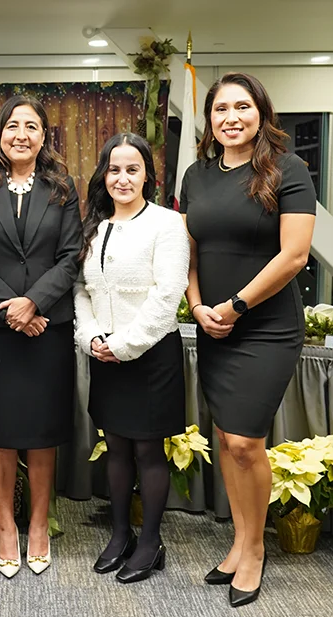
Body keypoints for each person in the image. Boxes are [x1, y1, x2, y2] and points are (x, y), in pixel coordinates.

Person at [180, 72, 316, 607]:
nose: (231, 117)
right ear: (209, 120)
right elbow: (186, 251)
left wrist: (235, 306)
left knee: (244, 441)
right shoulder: (196, 174)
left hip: (266, 327)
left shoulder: (289, 169)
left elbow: (294, 256)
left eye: (242, 106)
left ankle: (255, 550)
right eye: (220, 109)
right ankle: (239, 540)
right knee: (226, 439)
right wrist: (196, 307)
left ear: (261, 112)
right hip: (213, 323)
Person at [0, 95, 82, 578]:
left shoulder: (62, 188)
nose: (22, 134)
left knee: (42, 432)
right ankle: (6, 526)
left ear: (44, 135)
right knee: (0, 432)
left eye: (32, 126)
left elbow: (71, 255)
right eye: (13, 126)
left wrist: (35, 303)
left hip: (47, 326)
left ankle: (37, 526)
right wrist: (14, 307)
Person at [74, 133, 189, 584]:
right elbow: (81, 290)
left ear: (148, 175)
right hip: (104, 355)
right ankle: (120, 534)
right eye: (115, 169)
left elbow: (168, 295)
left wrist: (123, 345)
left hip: (150, 354)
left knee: (147, 449)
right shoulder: (93, 225)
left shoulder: (167, 223)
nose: (123, 178)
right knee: (116, 445)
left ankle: (150, 541)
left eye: (133, 169)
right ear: (104, 174)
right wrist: (91, 338)